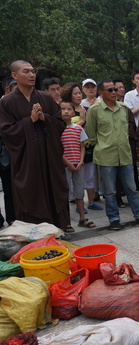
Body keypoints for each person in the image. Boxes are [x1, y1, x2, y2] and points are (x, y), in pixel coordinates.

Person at [0, 60, 70, 231]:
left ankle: (59, 227)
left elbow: (61, 123)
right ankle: (33, 232)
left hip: (49, 157)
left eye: (33, 71)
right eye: (26, 71)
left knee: (55, 188)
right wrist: (29, 121)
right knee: (30, 193)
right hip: (27, 160)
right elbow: (6, 131)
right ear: (15, 75)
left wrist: (45, 118)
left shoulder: (45, 97)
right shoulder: (7, 102)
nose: (32, 75)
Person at [86, 79, 139, 230]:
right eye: (110, 90)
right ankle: (114, 219)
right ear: (101, 93)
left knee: (132, 188)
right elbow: (91, 135)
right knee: (110, 191)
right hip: (106, 156)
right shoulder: (94, 110)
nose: (114, 92)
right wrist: (101, 145)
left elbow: (127, 130)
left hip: (124, 154)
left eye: (115, 89)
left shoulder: (123, 108)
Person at [60, 101, 96, 230]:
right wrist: (67, 162)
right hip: (65, 165)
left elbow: (82, 146)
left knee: (79, 192)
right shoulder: (58, 129)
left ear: (73, 112)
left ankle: (82, 218)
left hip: (78, 165)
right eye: (62, 109)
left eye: (69, 109)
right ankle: (66, 222)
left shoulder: (78, 128)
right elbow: (57, 149)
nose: (66, 111)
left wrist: (81, 161)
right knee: (65, 193)